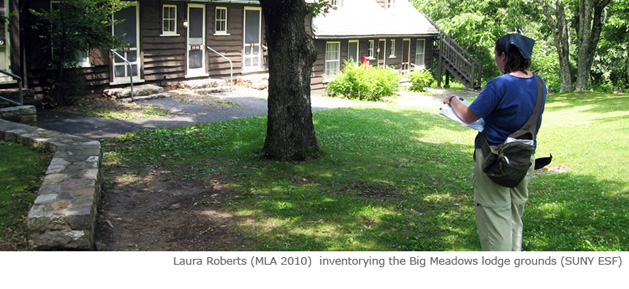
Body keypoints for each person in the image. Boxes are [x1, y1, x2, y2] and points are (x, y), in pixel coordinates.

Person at [443, 34, 547, 251]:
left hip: (495, 161)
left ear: (503, 55)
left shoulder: (500, 84)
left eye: (496, 55)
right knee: (514, 218)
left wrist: (452, 100)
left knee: (495, 218)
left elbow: (469, 116)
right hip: (524, 159)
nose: (496, 60)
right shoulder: (539, 83)